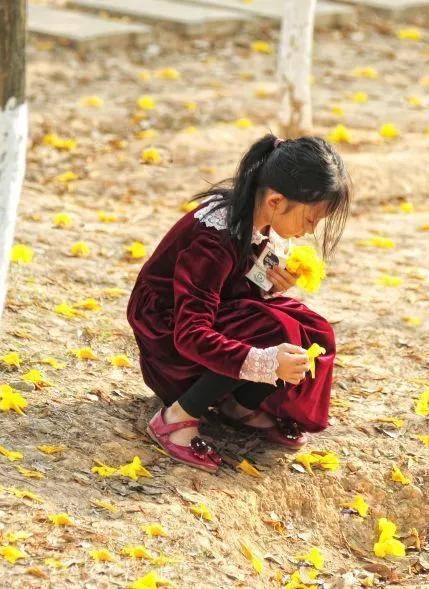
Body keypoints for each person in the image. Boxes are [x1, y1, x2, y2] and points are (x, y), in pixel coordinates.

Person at [126, 133, 351, 472]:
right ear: (275, 201)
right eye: (309, 220)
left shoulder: (255, 220)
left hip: (195, 329)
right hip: (169, 343)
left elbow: (230, 295)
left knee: (311, 329)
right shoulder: (212, 240)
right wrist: (264, 362)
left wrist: (267, 288)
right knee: (272, 328)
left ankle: (238, 405)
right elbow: (190, 333)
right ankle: (176, 419)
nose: (309, 232)